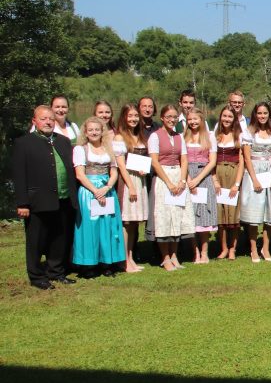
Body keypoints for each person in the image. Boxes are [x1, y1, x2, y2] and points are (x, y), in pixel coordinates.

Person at [13, 105, 78, 289]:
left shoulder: (63, 141)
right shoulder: (23, 143)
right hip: (37, 201)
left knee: (60, 238)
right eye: (43, 119)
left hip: (64, 199)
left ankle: (56, 271)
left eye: (51, 118)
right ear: (34, 121)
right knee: (36, 240)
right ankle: (36, 276)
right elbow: (19, 175)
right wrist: (22, 203)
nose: (48, 121)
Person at [71, 117, 126, 277]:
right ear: (86, 132)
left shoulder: (109, 149)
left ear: (102, 131)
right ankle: (88, 265)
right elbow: (80, 175)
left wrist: (108, 187)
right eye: (91, 130)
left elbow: (114, 171)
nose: (94, 132)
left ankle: (106, 262)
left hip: (107, 190)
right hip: (89, 191)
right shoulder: (81, 149)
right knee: (90, 228)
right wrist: (96, 191)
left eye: (97, 129)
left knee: (107, 226)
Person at [148, 105, 195, 270]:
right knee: (164, 218)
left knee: (177, 216)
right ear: (162, 117)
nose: (172, 120)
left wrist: (182, 180)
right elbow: (154, 161)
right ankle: (165, 257)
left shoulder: (179, 136)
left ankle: (175, 255)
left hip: (178, 177)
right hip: (163, 178)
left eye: (174, 117)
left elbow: (184, 159)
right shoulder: (155, 136)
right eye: (168, 116)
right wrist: (169, 182)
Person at [240, 102, 271, 263]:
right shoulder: (249, 133)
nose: (262, 116)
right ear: (255, 115)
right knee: (254, 213)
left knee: (269, 214)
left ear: (269, 115)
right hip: (254, 173)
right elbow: (247, 158)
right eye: (259, 113)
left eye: (265, 113)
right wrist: (254, 179)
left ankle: (265, 248)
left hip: (269, 172)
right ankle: (253, 249)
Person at [113, 104, 148, 272]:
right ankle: (124, 260)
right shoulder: (120, 138)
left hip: (140, 180)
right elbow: (121, 165)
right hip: (128, 182)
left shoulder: (140, 136)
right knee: (127, 222)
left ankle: (131, 258)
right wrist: (131, 186)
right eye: (130, 116)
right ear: (124, 118)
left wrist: (143, 170)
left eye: (136, 116)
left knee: (135, 223)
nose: (133, 119)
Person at [184, 110, 218, 264]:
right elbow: (181, 160)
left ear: (201, 119)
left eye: (195, 119)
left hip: (204, 176)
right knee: (191, 216)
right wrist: (188, 179)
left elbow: (212, 161)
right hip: (187, 176)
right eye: (190, 119)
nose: (192, 122)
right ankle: (195, 252)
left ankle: (204, 252)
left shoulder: (210, 136)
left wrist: (197, 179)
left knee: (204, 216)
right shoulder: (183, 137)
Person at [212, 106, 244, 260]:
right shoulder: (215, 136)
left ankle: (233, 248)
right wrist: (215, 181)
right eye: (224, 116)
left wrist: (236, 184)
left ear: (234, 119)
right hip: (218, 175)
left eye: (229, 117)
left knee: (233, 214)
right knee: (221, 214)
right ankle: (223, 248)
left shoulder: (239, 136)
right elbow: (210, 160)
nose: (226, 119)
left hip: (233, 175)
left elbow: (242, 161)